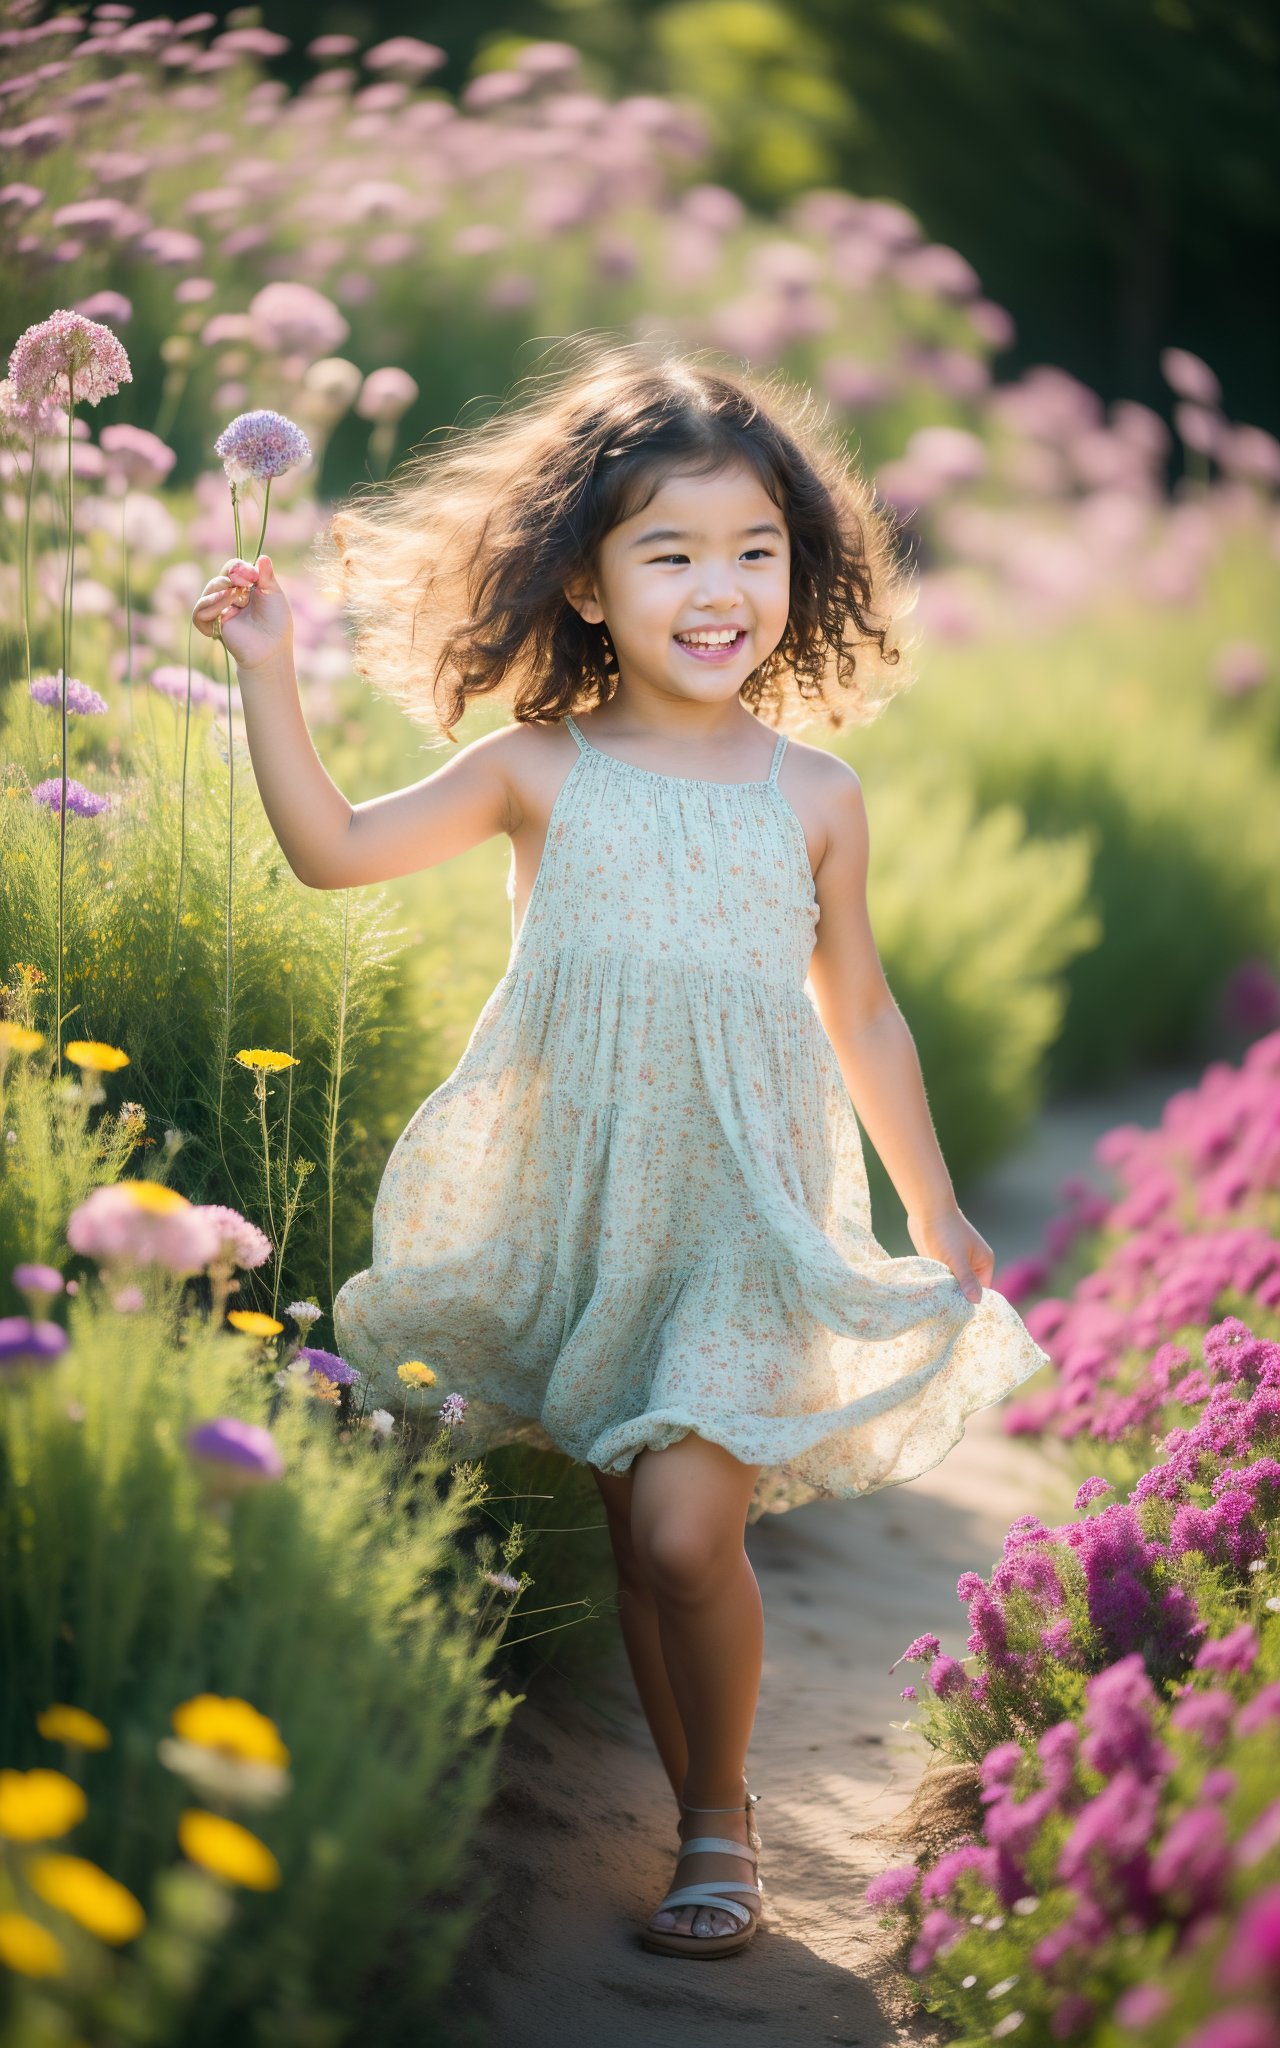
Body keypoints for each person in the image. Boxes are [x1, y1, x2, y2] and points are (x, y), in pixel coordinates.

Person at [192, 335, 1052, 1960]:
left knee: (680, 1532)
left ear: (802, 568)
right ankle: (691, 1820)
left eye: (756, 549)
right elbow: (333, 855)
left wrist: (929, 1200)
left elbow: (863, 1011)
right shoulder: (540, 769)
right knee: (633, 1538)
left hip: (743, 1217)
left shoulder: (816, 793)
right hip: (586, 1218)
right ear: (586, 585)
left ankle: (721, 1822)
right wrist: (265, 674)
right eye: (669, 552)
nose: (718, 586)